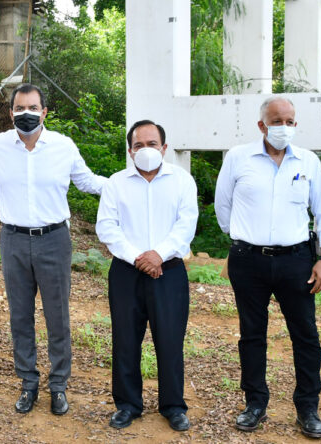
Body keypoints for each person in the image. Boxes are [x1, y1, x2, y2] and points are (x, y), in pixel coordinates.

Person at [0, 83, 106, 415]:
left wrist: (128, 185)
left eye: (33, 108)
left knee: (58, 316)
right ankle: (28, 384)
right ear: (10, 113)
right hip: (14, 240)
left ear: (45, 111)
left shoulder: (63, 147)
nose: (26, 114)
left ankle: (59, 386)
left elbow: (89, 182)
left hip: (54, 239)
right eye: (20, 108)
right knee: (20, 316)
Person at [214, 96, 321, 438]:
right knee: (252, 334)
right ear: (261, 125)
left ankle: (307, 407)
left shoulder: (308, 162)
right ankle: (255, 402)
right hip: (248, 261)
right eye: (277, 120)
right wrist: (243, 239)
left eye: (290, 121)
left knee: (306, 335)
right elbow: (223, 207)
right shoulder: (238, 158)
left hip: (296, 261)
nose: (284, 126)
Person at [96, 120, 198, 431]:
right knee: (125, 339)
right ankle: (127, 405)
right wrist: (139, 257)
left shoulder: (182, 181)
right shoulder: (116, 183)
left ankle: (173, 406)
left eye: (152, 144)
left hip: (169, 272)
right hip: (127, 272)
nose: (145, 150)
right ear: (130, 150)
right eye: (138, 145)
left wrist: (159, 254)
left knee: (169, 340)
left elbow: (187, 224)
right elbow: (107, 227)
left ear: (164, 148)